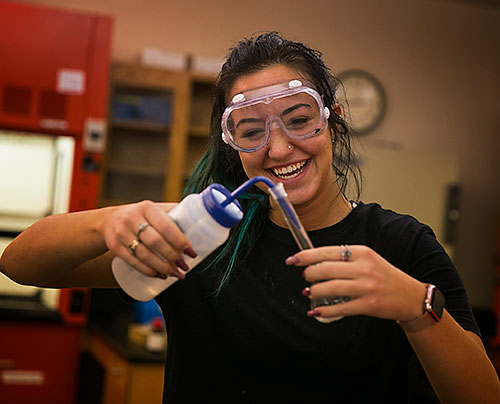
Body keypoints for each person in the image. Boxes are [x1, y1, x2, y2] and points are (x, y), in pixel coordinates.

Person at [1, 32, 499, 403]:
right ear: (231, 142)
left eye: (300, 120)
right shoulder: (201, 233)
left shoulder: (401, 245)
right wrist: (109, 222)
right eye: (251, 130)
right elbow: (19, 264)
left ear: (333, 120)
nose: (279, 148)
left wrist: (416, 305)